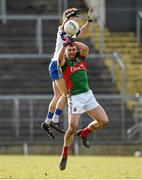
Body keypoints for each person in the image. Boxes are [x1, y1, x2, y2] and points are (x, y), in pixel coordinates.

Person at [41, 7, 96, 139]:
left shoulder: (70, 32)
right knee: (67, 95)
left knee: (57, 96)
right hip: (57, 64)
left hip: (54, 64)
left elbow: (82, 31)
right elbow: (64, 25)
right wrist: (68, 17)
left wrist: (90, 20)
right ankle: (55, 121)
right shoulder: (63, 28)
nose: (77, 19)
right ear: (69, 18)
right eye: (75, 16)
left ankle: (47, 122)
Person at [58, 41, 109, 170]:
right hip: (75, 97)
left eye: (73, 49)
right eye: (69, 50)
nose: (71, 52)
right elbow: (59, 60)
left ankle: (84, 133)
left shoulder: (80, 58)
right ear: (66, 51)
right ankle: (64, 154)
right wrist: (64, 46)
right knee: (72, 128)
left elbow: (85, 48)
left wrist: (73, 42)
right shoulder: (65, 63)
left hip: (88, 95)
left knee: (104, 121)